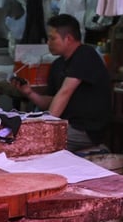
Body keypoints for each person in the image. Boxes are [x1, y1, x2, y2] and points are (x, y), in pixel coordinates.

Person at [13, 14, 113, 152]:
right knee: (17, 135)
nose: (48, 43)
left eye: (52, 38)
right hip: (64, 124)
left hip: (85, 130)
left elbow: (65, 92)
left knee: (32, 143)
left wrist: (44, 128)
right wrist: (29, 93)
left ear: (68, 38)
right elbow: (52, 101)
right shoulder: (58, 65)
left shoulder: (85, 54)